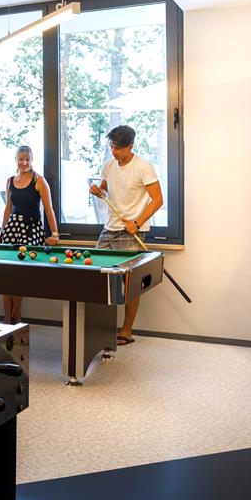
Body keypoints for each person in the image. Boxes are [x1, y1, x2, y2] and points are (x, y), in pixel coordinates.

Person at [88, 125, 164, 346]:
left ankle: (127, 330)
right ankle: (101, 328)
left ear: (130, 146)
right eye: (112, 147)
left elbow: (158, 200)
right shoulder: (109, 165)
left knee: (130, 284)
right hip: (109, 228)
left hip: (131, 231)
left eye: (118, 148)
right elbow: (105, 189)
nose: (114, 152)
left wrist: (137, 222)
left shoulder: (143, 167)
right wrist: (98, 191)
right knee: (95, 276)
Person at [0, 145, 60, 324]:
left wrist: (55, 234)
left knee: (18, 275)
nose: (24, 163)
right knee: (5, 273)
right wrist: (1, 231)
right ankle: (7, 316)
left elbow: (49, 209)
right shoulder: (10, 181)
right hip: (11, 228)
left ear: (31, 160)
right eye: (21, 159)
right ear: (15, 160)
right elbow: (8, 209)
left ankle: (16, 314)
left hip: (31, 229)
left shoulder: (39, 180)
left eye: (27, 159)